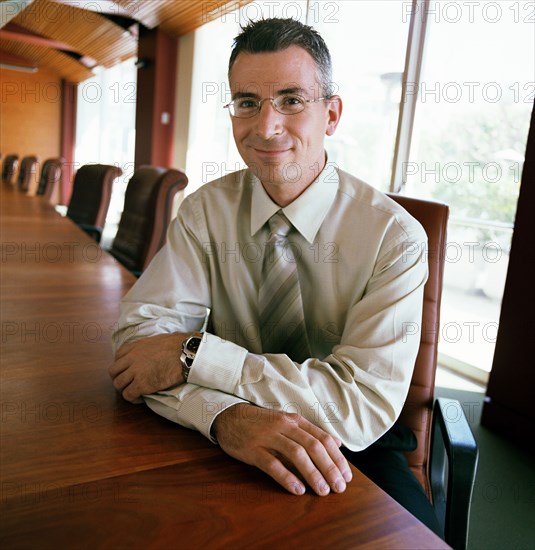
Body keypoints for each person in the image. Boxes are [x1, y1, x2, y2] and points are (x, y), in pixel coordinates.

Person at [109, 18, 441, 535]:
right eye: (247, 102)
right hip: (221, 424)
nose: (265, 127)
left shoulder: (393, 237)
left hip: (352, 446)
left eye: (291, 100)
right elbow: (137, 351)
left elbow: (358, 408)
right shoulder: (204, 212)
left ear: (330, 114)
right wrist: (226, 418)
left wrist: (192, 355)